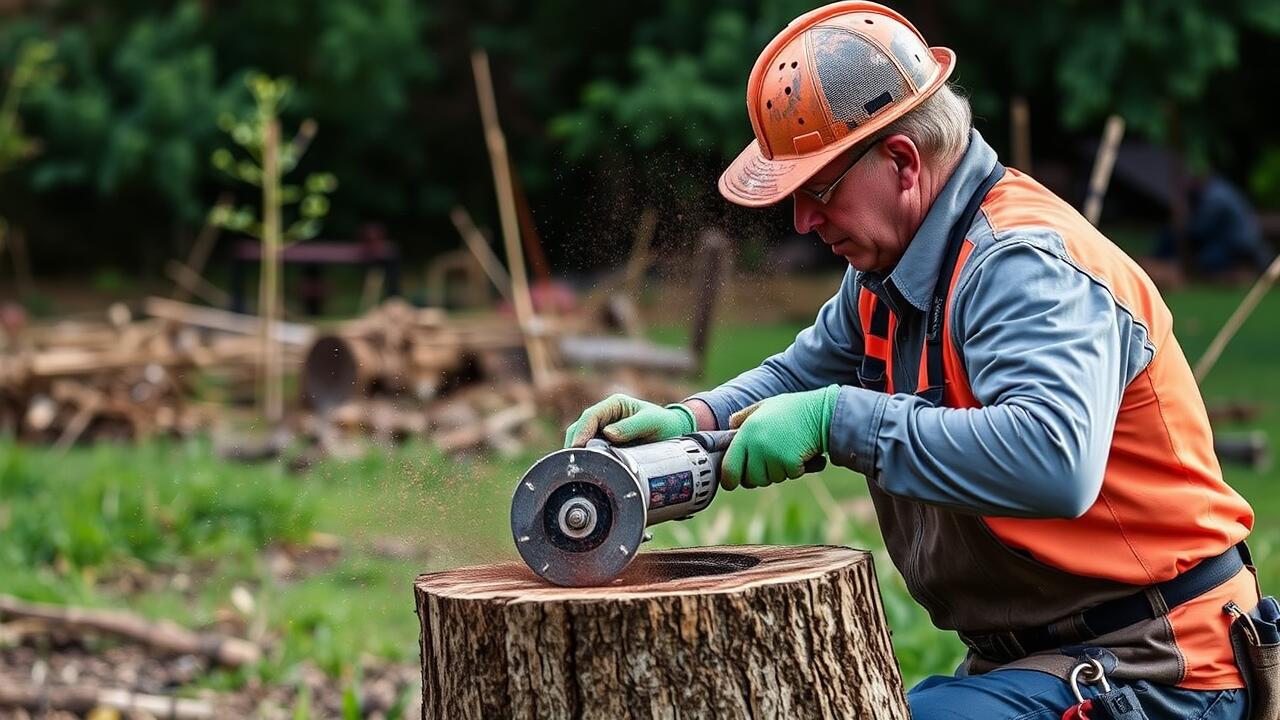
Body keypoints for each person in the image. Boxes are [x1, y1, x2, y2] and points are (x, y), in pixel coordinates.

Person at [563, 3, 1264, 718]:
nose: (803, 221)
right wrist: (687, 420)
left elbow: (1055, 461)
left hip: (1163, 666)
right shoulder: (891, 271)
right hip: (1045, 656)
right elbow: (802, 375)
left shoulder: (1018, 262)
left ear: (901, 162)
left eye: (818, 190)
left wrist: (838, 421)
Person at [1145, 172, 1274, 288]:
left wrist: (1181, 225)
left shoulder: (1215, 196)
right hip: (1235, 241)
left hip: (1239, 245)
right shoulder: (1216, 189)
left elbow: (1199, 231)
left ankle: (1236, 276)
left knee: (1205, 260)